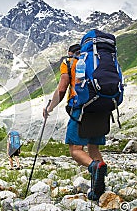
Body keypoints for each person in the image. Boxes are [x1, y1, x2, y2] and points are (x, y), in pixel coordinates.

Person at [43, 44, 107, 201]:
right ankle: (98, 190)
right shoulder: (97, 61)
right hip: (101, 107)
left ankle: (95, 167)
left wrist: (49, 107)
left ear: (70, 53)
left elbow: (62, 88)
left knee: (76, 150)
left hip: (81, 108)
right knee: (93, 148)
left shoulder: (69, 62)